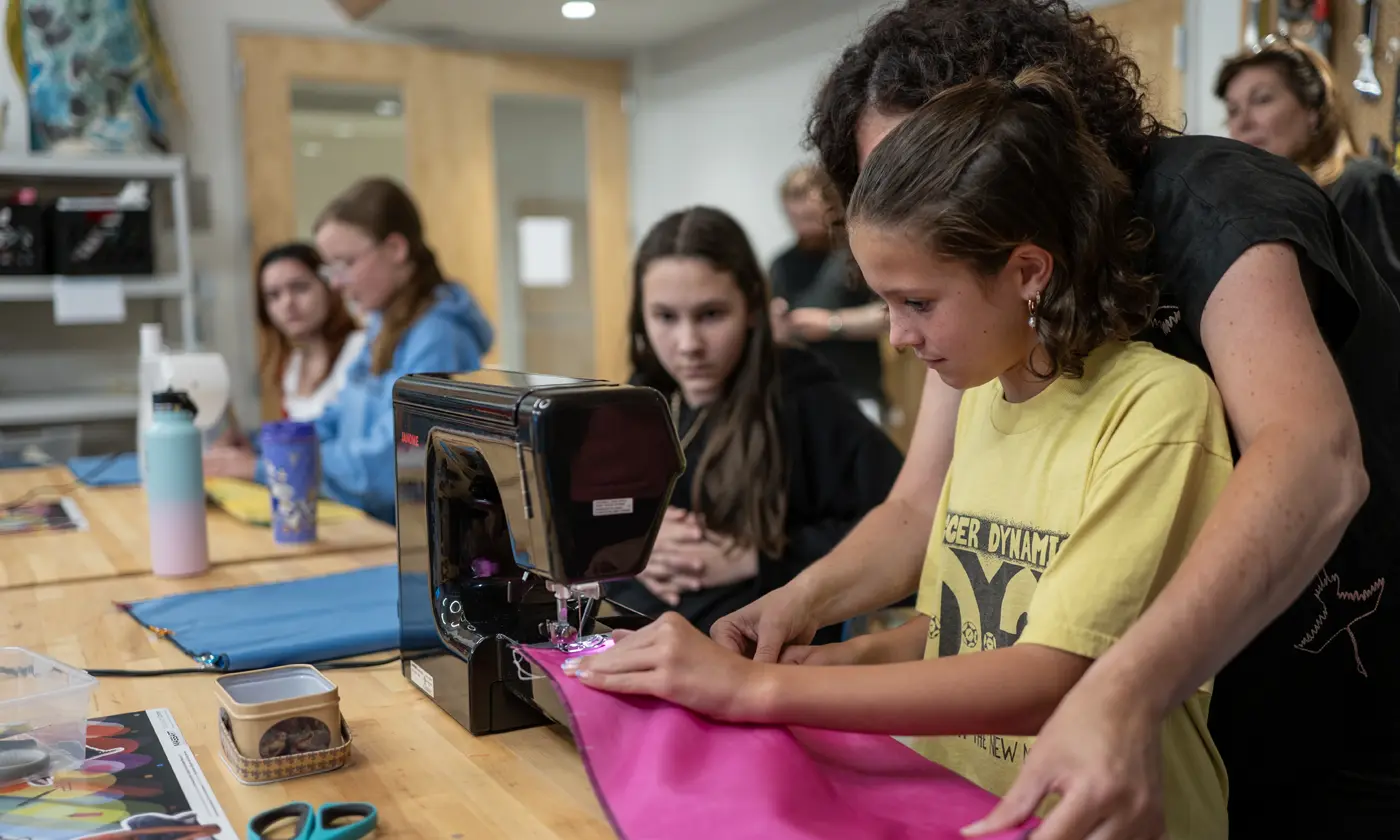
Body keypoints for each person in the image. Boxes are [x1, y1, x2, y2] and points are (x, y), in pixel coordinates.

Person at [586, 2, 1400, 837]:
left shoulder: (1215, 205)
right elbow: (921, 510)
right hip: (1151, 707)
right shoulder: (991, 336)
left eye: (928, 170)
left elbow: (1312, 457)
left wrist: (1119, 688)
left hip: (1333, 686)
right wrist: (792, 607)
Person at [606, 206, 904, 638]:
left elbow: (903, 536)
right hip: (640, 631)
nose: (688, 345)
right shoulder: (643, 395)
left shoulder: (804, 396)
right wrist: (634, 543)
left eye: (711, 315)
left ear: (750, 307)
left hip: (750, 652)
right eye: (666, 317)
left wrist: (759, 558)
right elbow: (594, 510)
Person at [204, 178, 495, 523]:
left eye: (346, 264)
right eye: (331, 269)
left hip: (407, 539)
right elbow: (337, 420)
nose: (337, 283)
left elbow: (393, 464)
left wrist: (264, 466)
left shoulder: (439, 339)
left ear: (396, 249)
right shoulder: (382, 326)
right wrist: (264, 443)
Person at [1217, 35, 1400, 300]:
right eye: (1233, 110)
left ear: (1314, 109)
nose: (1242, 123)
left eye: (1262, 100)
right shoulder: (1251, 205)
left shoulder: (1361, 185)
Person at [768, 163, 890, 422]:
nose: (800, 218)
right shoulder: (780, 265)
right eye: (794, 213)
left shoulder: (856, 253)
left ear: (829, 203)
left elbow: (891, 315)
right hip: (803, 394)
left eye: (808, 212)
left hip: (859, 394)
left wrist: (831, 324)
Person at [254, 242, 367, 422]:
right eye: (274, 295)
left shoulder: (362, 349)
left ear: (329, 287)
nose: (287, 303)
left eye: (300, 287)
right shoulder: (292, 366)